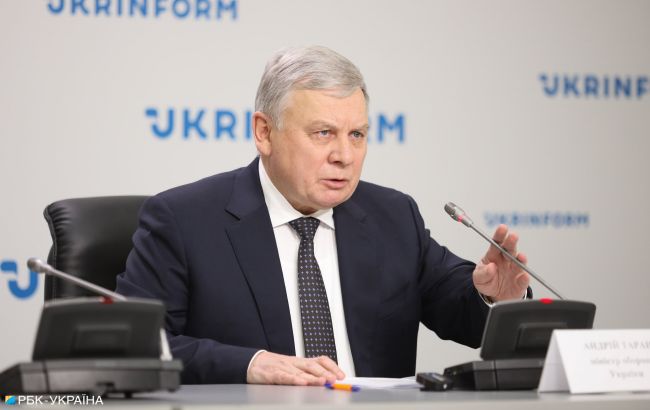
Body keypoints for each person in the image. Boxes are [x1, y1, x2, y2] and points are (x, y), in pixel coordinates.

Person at [116, 45, 530, 386]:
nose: (344, 156)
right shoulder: (184, 220)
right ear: (264, 132)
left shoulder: (392, 216)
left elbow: (461, 313)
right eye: (323, 133)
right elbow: (140, 346)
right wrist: (250, 364)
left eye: (357, 135)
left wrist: (495, 297)